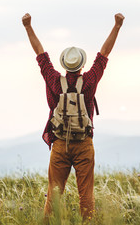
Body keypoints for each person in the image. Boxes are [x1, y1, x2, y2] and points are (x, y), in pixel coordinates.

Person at [22, 12, 125, 219]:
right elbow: (104, 54)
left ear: (64, 65)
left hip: (60, 144)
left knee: (54, 196)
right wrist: (117, 26)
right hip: (84, 144)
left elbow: (40, 54)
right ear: (81, 65)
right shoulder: (89, 80)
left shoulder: (53, 79)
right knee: (86, 196)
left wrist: (28, 27)